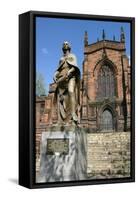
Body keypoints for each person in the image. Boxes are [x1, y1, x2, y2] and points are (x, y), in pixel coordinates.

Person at [53, 41, 80, 124]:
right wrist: (55, 74)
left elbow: (75, 67)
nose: (65, 44)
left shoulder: (72, 56)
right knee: (61, 98)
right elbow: (59, 69)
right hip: (62, 79)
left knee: (71, 92)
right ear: (62, 47)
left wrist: (70, 71)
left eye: (67, 43)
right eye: (64, 44)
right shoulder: (61, 59)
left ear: (69, 47)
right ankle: (61, 119)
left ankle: (73, 114)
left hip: (71, 77)